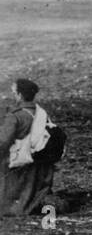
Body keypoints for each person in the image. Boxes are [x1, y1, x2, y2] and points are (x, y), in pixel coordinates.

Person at [1, 79, 64, 217]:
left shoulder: (15, 116)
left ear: (19, 95)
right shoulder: (42, 113)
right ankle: (41, 201)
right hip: (41, 161)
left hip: (20, 161)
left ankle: (17, 206)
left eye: (14, 92)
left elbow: (3, 142)